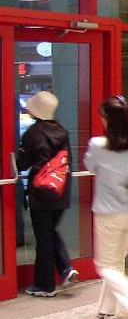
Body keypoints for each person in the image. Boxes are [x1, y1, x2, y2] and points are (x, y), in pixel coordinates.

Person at [84, 95, 128, 319]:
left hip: (108, 213)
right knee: (117, 259)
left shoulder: (97, 145)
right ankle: (107, 309)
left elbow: (90, 166)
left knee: (105, 265)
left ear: (107, 120)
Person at [16, 91, 78, 297]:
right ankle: (65, 268)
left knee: (44, 238)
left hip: (41, 193)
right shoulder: (62, 132)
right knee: (50, 232)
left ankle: (45, 285)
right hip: (61, 190)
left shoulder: (33, 133)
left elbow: (22, 164)